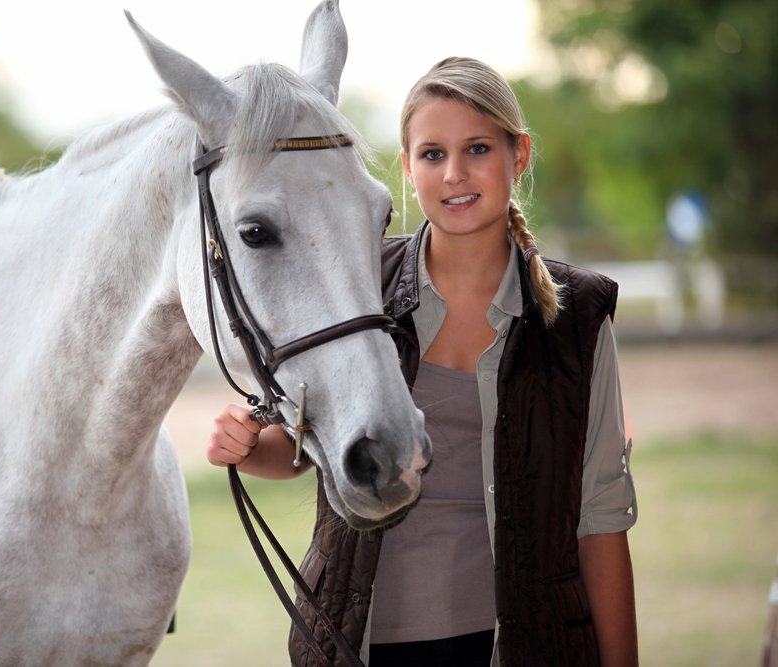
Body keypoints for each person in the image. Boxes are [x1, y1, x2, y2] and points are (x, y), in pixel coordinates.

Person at [207, 56, 638, 667]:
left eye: (479, 148)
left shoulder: (578, 314)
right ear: (408, 169)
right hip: (361, 641)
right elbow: (304, 447)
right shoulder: (359, 286)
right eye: (433, 154)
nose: (455, 173)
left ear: (519, 156)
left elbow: (601, 515)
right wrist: (250, 448)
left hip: (525, 644)